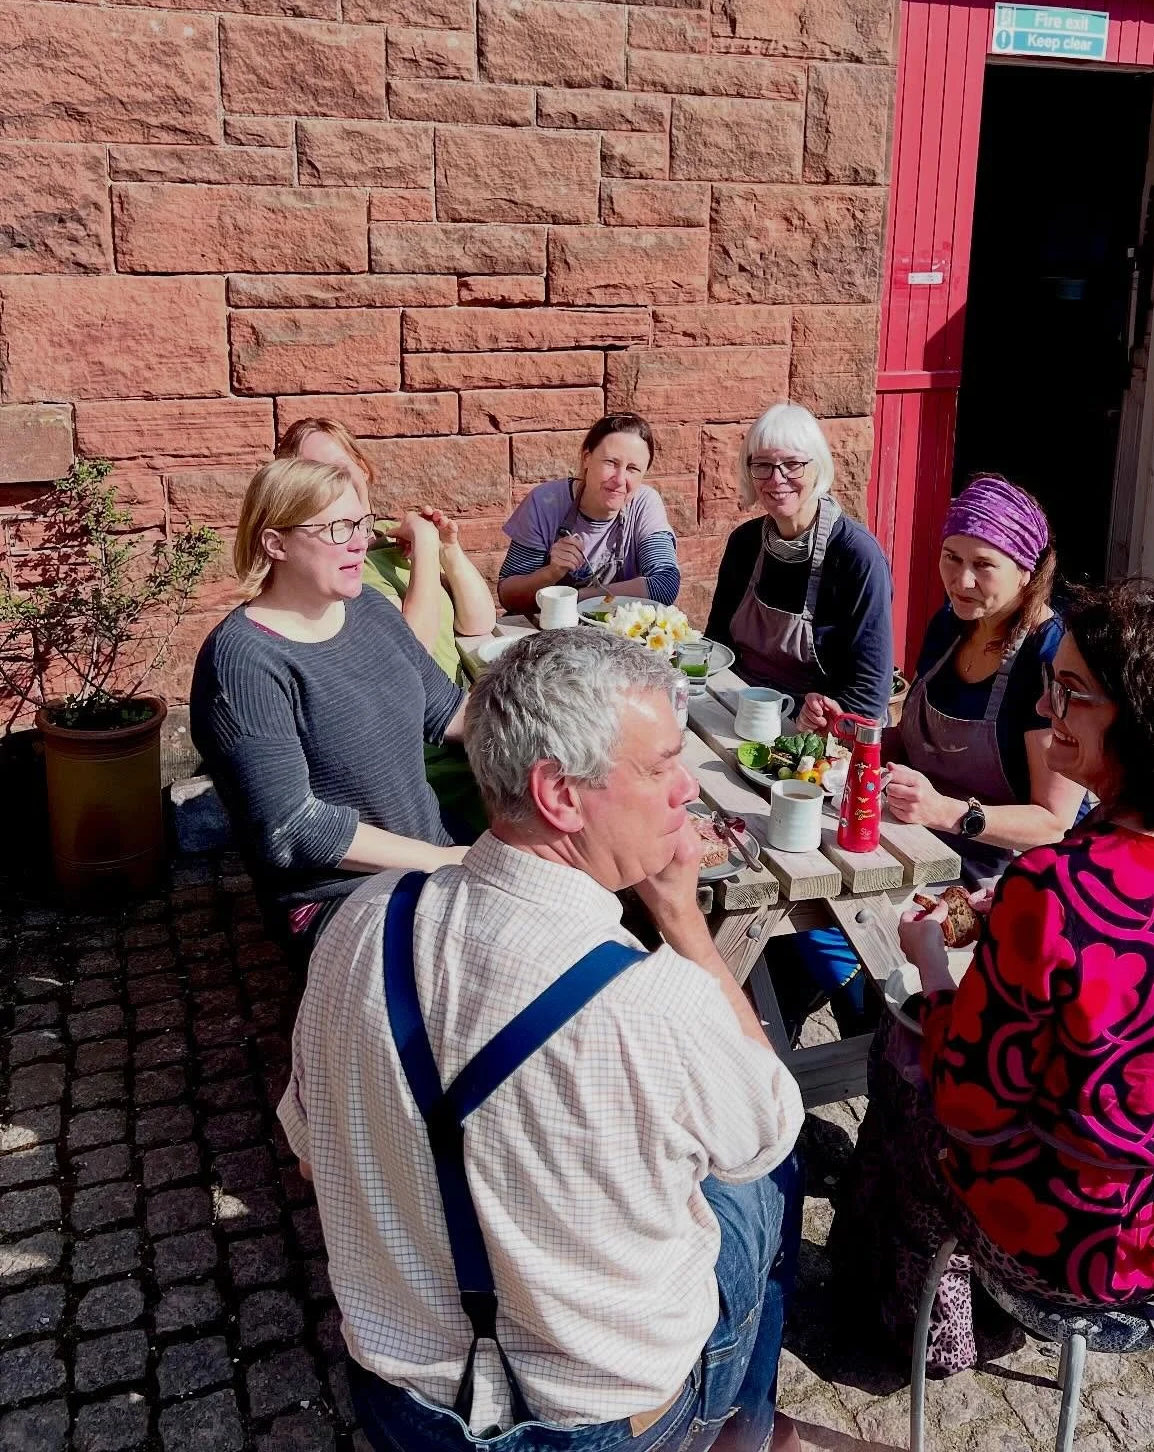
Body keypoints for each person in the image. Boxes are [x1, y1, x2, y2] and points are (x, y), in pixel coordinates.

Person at [278, 629, 805, 1452]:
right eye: (662, 764)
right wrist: (684, 924)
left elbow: (312, 1155)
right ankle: (746, 1429)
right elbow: (771, 1128)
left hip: (403, 1406)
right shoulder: (656, 999)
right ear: (559, 794)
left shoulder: (362, 924)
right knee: (770, 1182)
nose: (686, 791)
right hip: (599, 1425)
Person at [877, 581, 1154, 1362]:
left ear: (1147, 725)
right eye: (1050, 686)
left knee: (903, 1076)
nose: (1046, 712)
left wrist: (935, 969)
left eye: (1071, 695)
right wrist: (1011, 906)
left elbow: (971, 1103)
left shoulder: (1057, 889)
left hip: (1080, 1244)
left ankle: (929, 1333)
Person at [190, 459, 471, 954]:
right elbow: (293, 827)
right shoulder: (243, 661)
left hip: (434, 854)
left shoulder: (369, 609)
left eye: (361, 523)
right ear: (276, 543)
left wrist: (564, 728)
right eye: (338, 528)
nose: (360, 541)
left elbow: (448, 712)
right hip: (338, 897)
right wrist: (442, 861)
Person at [841, 475, 1084, 890]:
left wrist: (945, 812)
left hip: (1006, 875)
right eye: (952, 557)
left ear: (1027, 571)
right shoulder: (950, 624)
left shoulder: (1051, 658)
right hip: (919, 840)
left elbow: (1052, 822)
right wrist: (858, 737)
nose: (961, 581)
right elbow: (921, 744)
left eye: (984, 565)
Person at [277, 416, 495, 829]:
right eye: (315, 474)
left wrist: (448, 550)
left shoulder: (387, 541)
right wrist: (427, 552)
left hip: (462, 719)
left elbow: (478, 622)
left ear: (363, 467)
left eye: (341, 467)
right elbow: (412, 653)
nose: (334, 481)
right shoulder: (333, 566)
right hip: (425, 750)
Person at [707, 403, 893, 720]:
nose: (777, 479)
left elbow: (870, 694)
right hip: (740, 708)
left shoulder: (856, 556)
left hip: (817, 735)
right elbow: (717, 646)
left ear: (818, 467)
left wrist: (816, 722)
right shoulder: (745, 543)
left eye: (792, 464)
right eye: (763, 465)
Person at [498, 414, 680, 614]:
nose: (619, 479)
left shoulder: (644, 505)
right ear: (587, 459)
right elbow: (508, 597)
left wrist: (575, 597)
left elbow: (665, 584)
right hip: (547, 631)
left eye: (632, 468)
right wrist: (551, 573)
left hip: (619, 635)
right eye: (611, 462)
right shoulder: (545, 502)